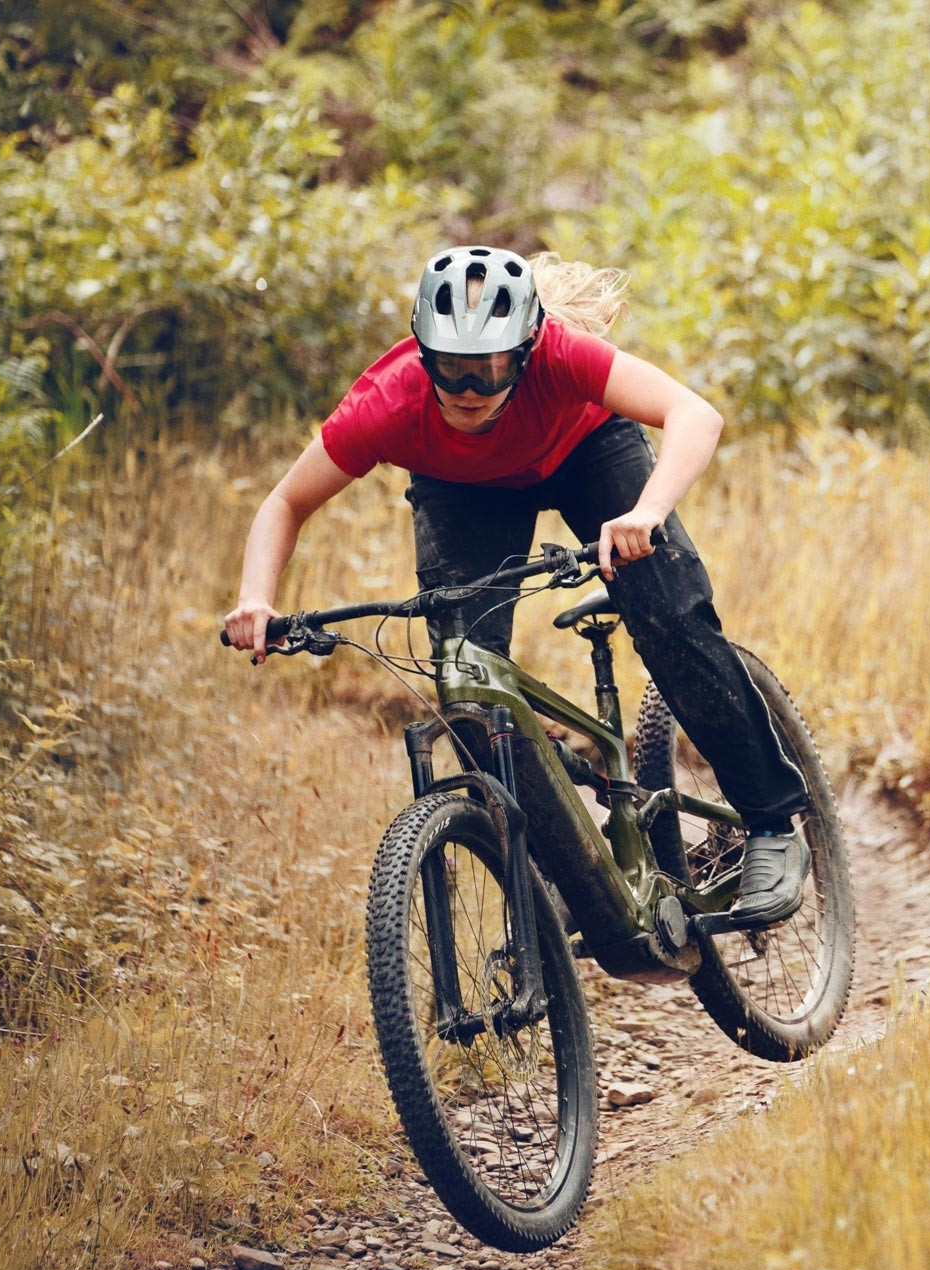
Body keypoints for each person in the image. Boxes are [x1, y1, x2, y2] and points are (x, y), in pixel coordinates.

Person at [222, 245, 810, 922]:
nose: (470, 388)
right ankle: (565, 865)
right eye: (451, 367)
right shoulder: (388, 401)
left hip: (586, 452)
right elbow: (285, 502)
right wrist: (255, 598)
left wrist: (647, 512)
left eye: (492, 367)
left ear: (526, 351)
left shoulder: (562, 355)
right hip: (464, 487)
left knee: (669, 617)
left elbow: (695, 414)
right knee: (468, 680)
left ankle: (771, 823)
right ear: (423, 351)